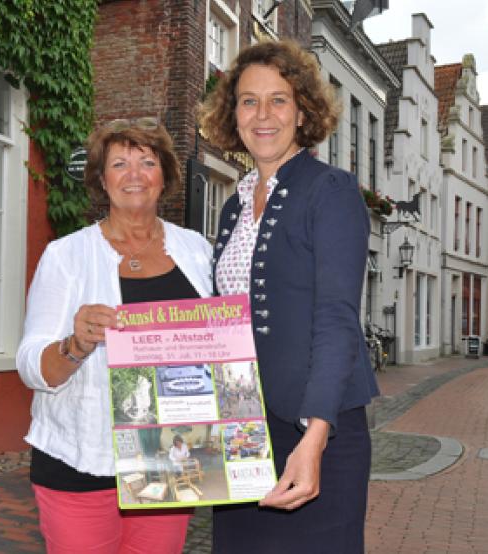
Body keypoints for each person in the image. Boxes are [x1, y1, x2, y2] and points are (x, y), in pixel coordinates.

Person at [198, 39, 379, 552]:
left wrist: (314, 439)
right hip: (242, 434)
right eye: (248, 101)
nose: (263, 115)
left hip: (317, 429)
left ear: (302, 112)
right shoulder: (232, 206)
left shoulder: (332, 191)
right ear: (232, 115)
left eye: (278, 99)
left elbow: (337, 319)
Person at [16, 117, 213, 553]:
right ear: (102, 181)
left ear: (165, 177)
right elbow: (31, 366)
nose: (135, 175)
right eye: (120, 163)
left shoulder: (198, 252)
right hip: (81, 461)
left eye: (147, 161)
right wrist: (76, 344)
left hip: (169, 460)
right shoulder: (66, 255)